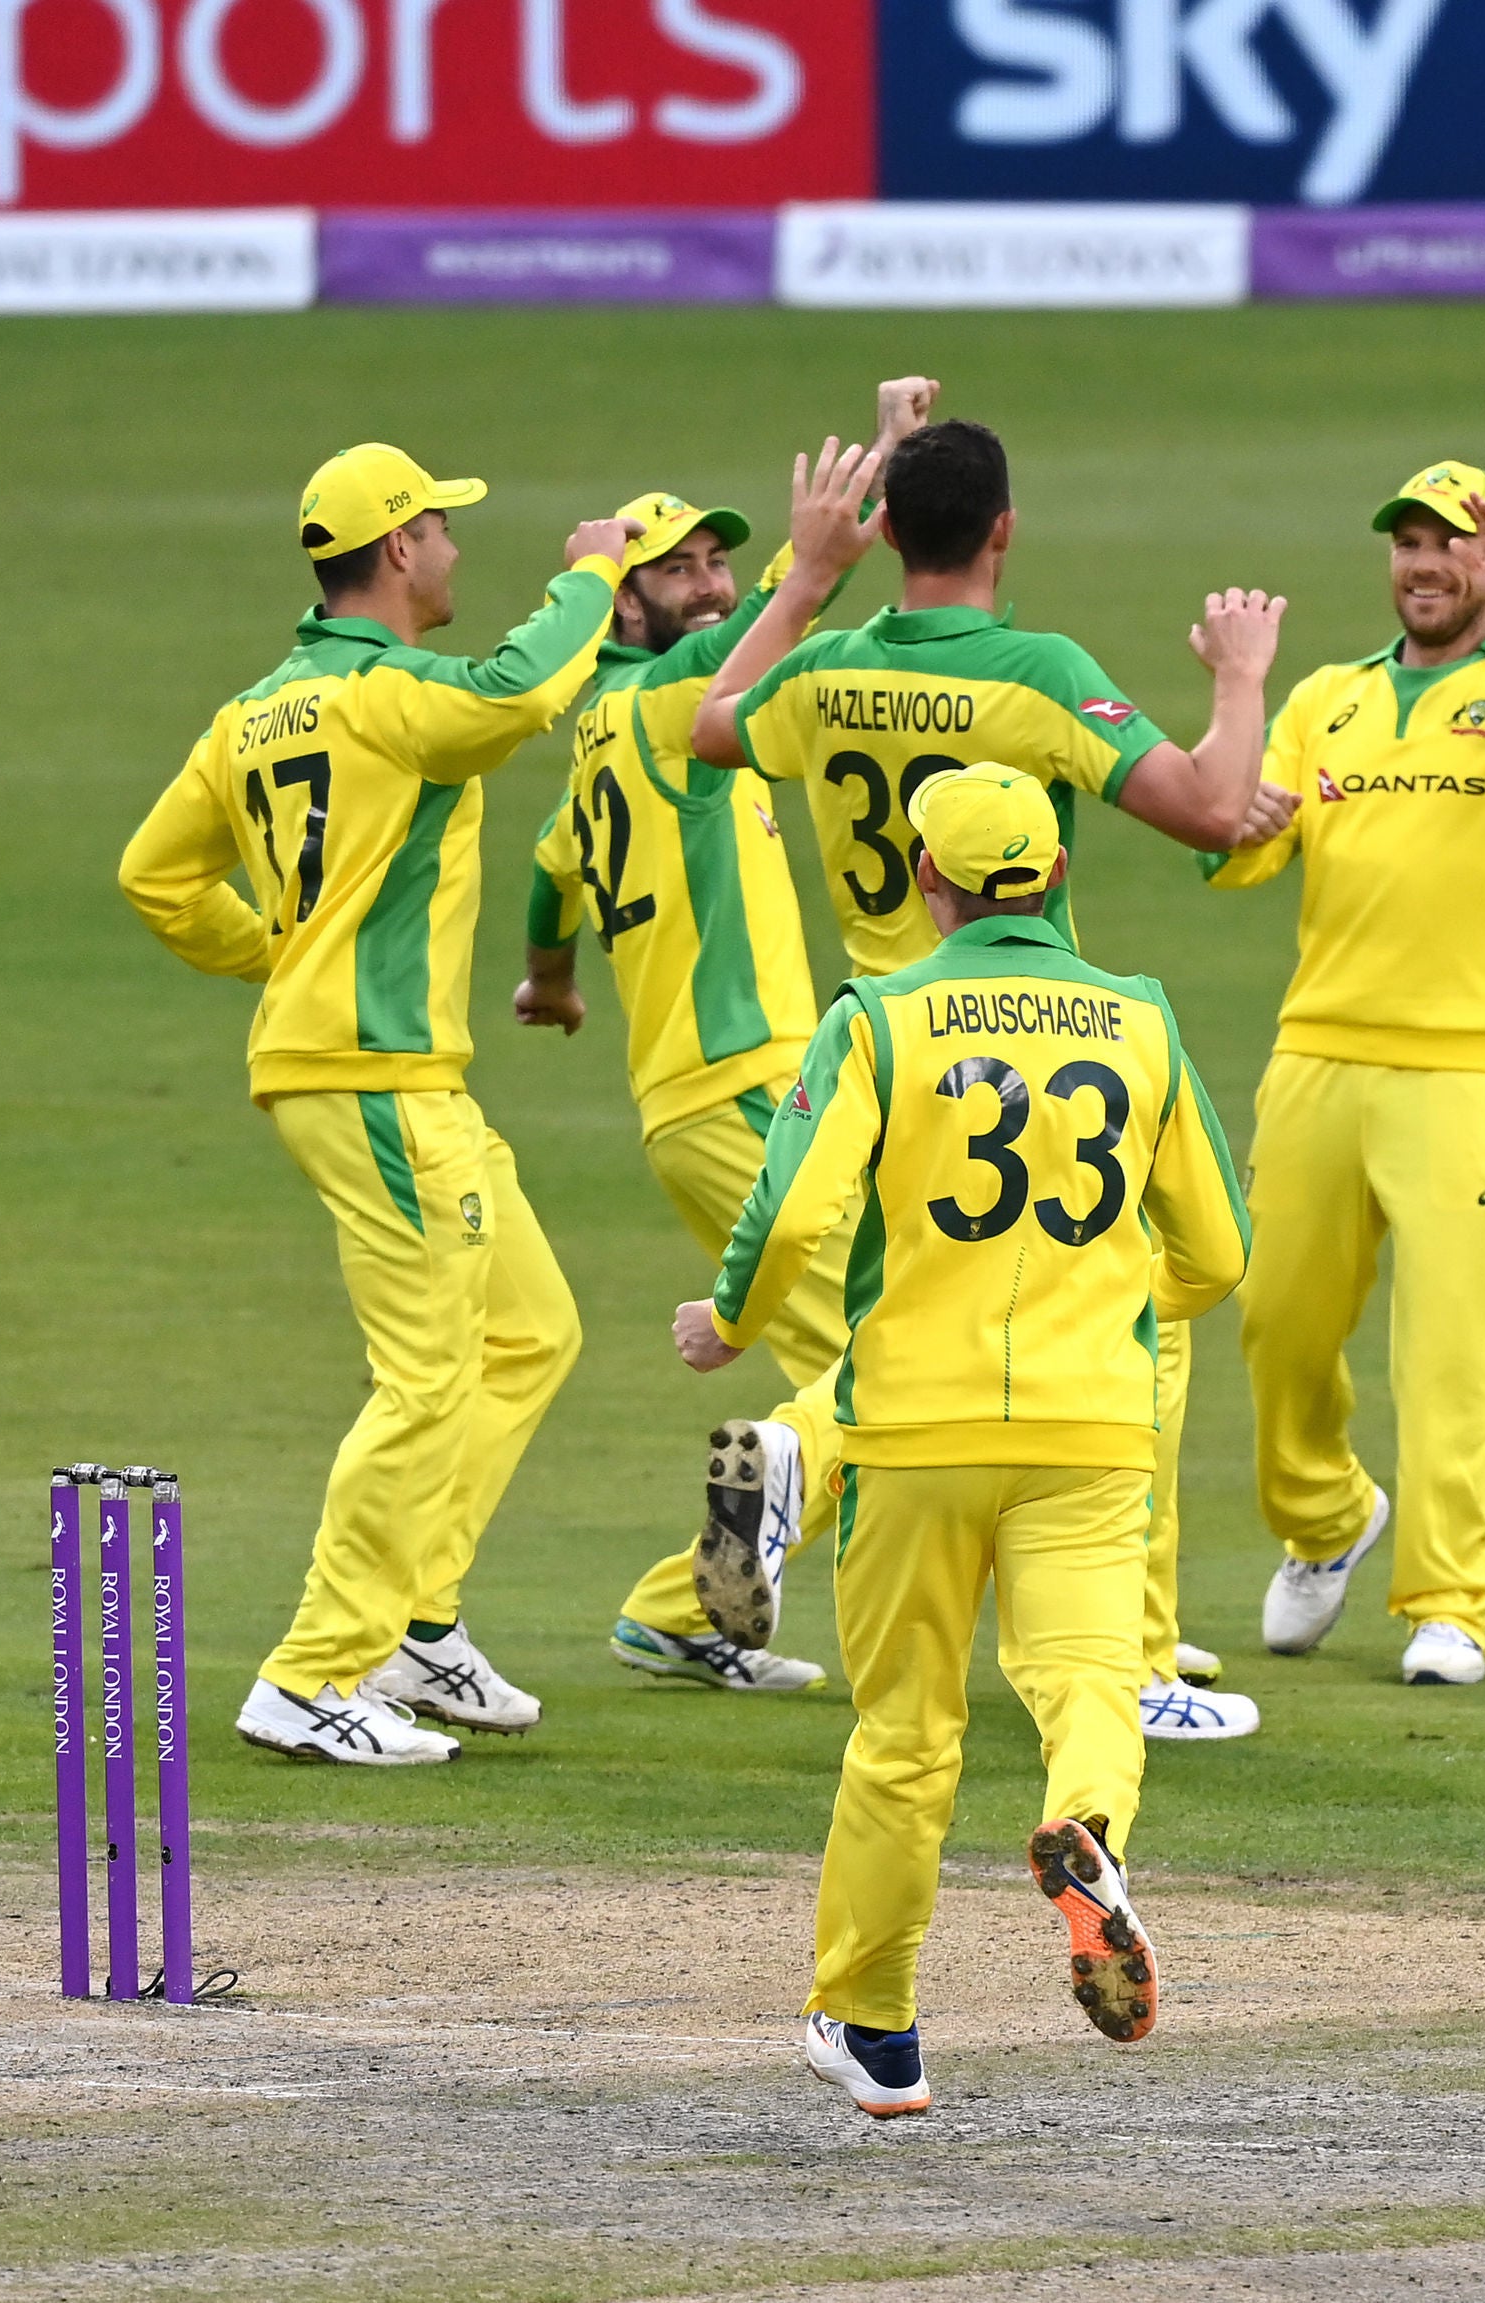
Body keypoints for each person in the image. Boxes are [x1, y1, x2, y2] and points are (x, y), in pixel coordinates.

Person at [685, 414, 1289, 1738]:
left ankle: (801, 1446)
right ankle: (1128, 1661)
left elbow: (707, 724)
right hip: (1032, 1033)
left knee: (909, 1333)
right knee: (1142, 1318)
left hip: (880, 1040)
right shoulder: (1037, 673)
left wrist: (801, 579)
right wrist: (1241, 680)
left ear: (887, 529)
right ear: (1006, 530)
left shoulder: (829, 671)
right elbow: (1207, 805)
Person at [673, 764, 1251, 2117]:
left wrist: (730, 1319)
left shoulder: (881, 1012)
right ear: (1054, 878)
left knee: (905, 1734)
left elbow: (793, 1209)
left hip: (914, 1429)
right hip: (1095, 1425)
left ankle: (876, 2026)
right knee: (1092, 1679)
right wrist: (1106, 1300)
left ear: (927, 882)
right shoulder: (1141, 1016)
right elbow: (1219, 1251)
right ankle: (1089, 1832)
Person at [118, 445, 638, 1763]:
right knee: (425, 1379)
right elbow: (520, 695)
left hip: (378, 1075)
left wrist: (284, 957)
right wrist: (593, 570)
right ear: (397, 548)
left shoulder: (256, 710)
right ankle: (310, 1671)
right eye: (443, 530)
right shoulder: (384, 692)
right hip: (376, 1081)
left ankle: (412, 1620)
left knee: (530, 1329)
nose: (457, 549)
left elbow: (155, 876)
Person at [1202, 462, 1485, 1687]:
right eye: (1406, 542)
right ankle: (1325, 1517)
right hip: (1317, 1051)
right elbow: (1240, 847)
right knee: (1275, 1320)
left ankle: (1448, 1599)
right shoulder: (1328, 697)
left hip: (1467, 1064)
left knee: (1448, 1344)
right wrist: (1237, 816)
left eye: (1449, 543)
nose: (1422, 562)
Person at [516, 381, 933, 1697]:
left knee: (855, 1355)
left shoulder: (597, 737)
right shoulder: (671, 691)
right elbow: (810, 613)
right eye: (671, 570)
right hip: (749, 1086)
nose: (705, 584)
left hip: (700, 1098)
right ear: (620, 604)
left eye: (714, 559)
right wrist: (859, 508)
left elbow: (546, 875)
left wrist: (550, 984)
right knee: (895, 1350)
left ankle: (682, 1613)